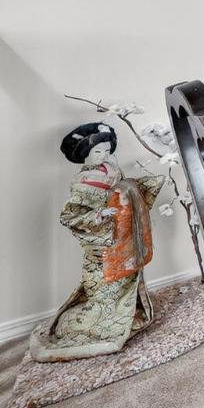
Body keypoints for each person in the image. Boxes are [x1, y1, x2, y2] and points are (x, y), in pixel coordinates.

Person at [30, 123, 164, 361]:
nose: (104, 155)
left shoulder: (111, 169)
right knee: (104, 284)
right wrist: (100, 215)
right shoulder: (83, 180)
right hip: (105, 240)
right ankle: (102, 324)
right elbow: (70, 216)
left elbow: (123, 189)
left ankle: (126, 313)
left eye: (106, 150)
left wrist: (134, 189)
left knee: (128, 277)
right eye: (98, 152)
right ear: (85, 155)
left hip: (124, 234)